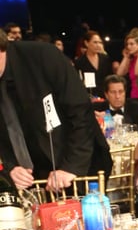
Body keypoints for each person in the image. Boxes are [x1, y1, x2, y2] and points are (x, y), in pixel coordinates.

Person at [0, 28, 111, 191]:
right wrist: (10, 168)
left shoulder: (43, 55)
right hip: (31, 179)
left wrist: (70, 167)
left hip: (79, 165)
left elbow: (81, 112)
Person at [74, 29, 112, 99]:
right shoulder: (79, 62)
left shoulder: (105, 58)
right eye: (95, 42)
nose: (98, 45)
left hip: (105, 97)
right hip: (88, 98)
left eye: (99, 42)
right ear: (86, 43)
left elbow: (110, 78)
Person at [114, 26, 138, 99]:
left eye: (132, 44)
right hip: (133, 95)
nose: (128, 47)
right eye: (127, 44)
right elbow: (119, 74)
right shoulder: (131, 59)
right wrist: (126, 57)